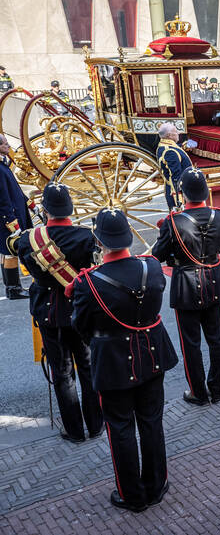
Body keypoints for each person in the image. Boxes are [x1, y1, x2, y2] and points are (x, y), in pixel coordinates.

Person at [69, 208, 178, 512]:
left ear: (99, 241)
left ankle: (131, 495)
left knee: (120, 427)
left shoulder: (87, 283)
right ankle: (156, 485)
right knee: (151, 422)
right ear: (128, 235)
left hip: (113, 361)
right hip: (152, 355)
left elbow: (81, 326)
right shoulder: (152, 268)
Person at [16, 183, 102, 442]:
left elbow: (28, 268)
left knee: (62, 373)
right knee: (87, 367)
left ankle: (74, 431)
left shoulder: (29, 240)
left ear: (45, 209)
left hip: (48, 313)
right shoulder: (86, 237)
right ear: (70, 208)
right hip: (79, 311)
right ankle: (96, 424)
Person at [152, 167, 220, 406]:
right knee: (216, 339)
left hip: (186, 283)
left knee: (191, 344)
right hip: (214, 279)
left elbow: (158, 254)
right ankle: (216, 389)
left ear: (183, 193)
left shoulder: (173, 222)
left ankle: (198, 391)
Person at [0, 134, 32, 299]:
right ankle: (13, 289)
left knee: (5, 252)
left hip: (14, 212)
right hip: (9, 217)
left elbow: (14, 188)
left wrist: (29, 202)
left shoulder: (3, 164)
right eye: (5, 144)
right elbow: (2, 197)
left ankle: (11, 286)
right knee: (10, 251)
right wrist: (10, 221)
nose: (8, 146)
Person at [156, 122, 192, 210]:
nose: (178, 133)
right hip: (180, 195)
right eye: (176, 132)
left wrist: (183, 146)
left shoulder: (165, 146)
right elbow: (176, 178)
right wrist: (179, 201)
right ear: (169, 135)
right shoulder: (169, 152)